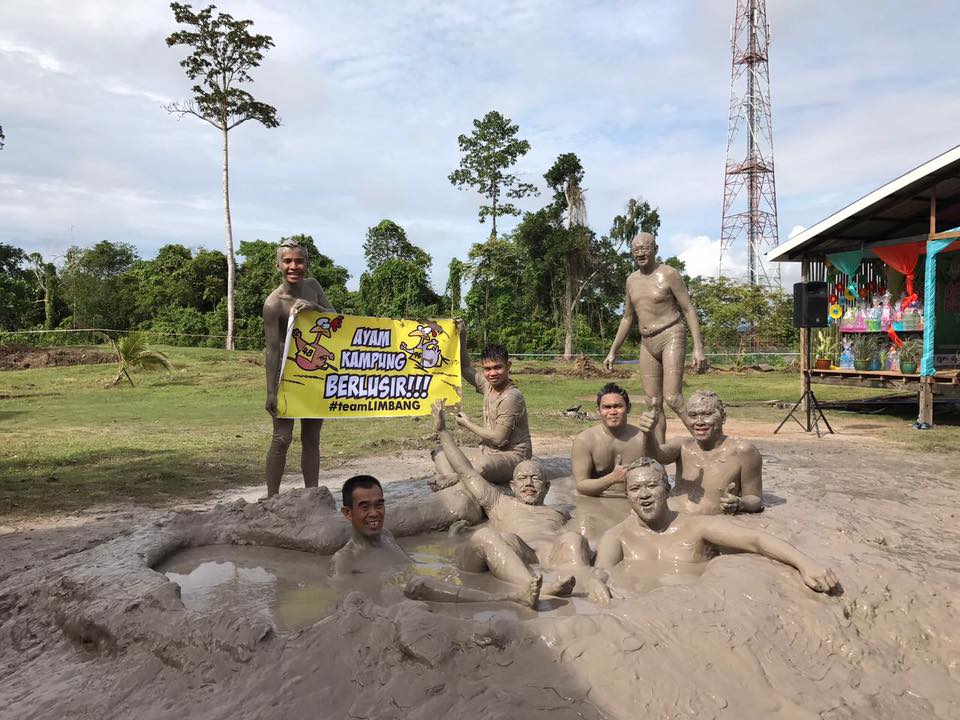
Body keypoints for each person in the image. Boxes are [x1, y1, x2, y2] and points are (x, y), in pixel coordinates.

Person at [588, 459, 838, 603]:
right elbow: (600, 572)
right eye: (635, 489)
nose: (643, 495)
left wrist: (805, 564)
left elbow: (757, 540)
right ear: (626, 495)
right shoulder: (617, 536)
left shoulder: (696, 526)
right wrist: (594, 583)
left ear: (667, 488)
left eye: (652, 486)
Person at [432, 400, 591, 598]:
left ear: (547, 486)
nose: (529, 484)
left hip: (551, 554)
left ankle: (587, 585)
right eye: (522, 479)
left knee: (573, 538)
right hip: (514, 553)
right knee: (488, 536)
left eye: (536, 479)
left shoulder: (561, 511)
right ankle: (532, 588)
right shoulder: (499, 502)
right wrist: (443, 432)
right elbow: (467, 473)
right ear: (512, 486)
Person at [332, 474, 542, 608]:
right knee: (419, 585)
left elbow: (413, 566)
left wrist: (451, 543)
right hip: (411, 602)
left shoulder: (386, 535)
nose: (374, 513)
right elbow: (350, 606)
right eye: (364, 507)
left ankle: (516, 589)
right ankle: (511, 598)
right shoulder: (345, 561)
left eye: (379, 505)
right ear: (347, 513)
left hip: (427, 588)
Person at [603, 231, 706, 441]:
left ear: (655, 250)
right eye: (636, 250)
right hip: (647, 341)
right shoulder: (631, 280)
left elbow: (688, 310)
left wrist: (698, 347)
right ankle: (658, 452)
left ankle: (705, 438)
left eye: (645, 248)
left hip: (671, 334)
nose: (640, 253)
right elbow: (627, 318)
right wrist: (613, 351)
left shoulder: (669, 274)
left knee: (673, 397)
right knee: (652, 402)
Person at [262, 239, 336, 497]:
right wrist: (271, 391)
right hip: (286, 376)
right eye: (288, 261)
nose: (294, 266)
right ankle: (272, 497)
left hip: (314, 373)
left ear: (307, 263)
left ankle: (312, 495)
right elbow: (272, 349)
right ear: (278, 265)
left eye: (299, 261)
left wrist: (315, 308)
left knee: (311, 439)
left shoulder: (314, 287)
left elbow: (336, 319)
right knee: (281, 438)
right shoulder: (274, 304)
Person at [431, 319, 532, 489]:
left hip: (513, 457)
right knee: (441, 451)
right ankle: (458, 478)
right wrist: (462, 335)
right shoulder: (487, 386)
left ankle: (454, 479)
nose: (492, 373)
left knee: (482, 466)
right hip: (487, 452)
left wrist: (467, 423)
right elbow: (465, 368)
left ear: (508, 366)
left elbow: (499, 439)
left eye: (497, 367)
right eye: (487, 369)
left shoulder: (511, 397)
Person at [649, 390, 763, 514]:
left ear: (723, 417)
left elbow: (756, 500)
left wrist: (740, 503)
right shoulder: (682, 446)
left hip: (710, 525)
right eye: (692, 415)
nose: (699, 422)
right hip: (674, 519)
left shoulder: (743, 451)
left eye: (707, 414)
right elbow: (655, 456)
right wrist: (648, 433)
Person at [571, 383, 658, 497]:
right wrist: (612, 478)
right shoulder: (584, 440)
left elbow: (656, 473)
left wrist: (650, 435)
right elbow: (581, 486)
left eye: (618, 406)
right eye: (607, 407)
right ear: (598, 410)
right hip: (597, 502)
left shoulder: (643, 438)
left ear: (629, 408)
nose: (612, 412)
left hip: (634, 501)